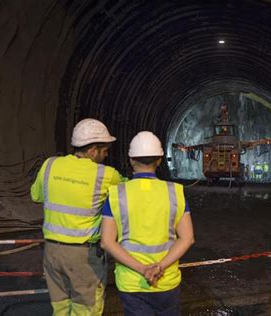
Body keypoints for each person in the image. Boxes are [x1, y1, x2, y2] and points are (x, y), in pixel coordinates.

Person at [30, 118, 126, 316]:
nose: (106, 155)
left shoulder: (50, 165)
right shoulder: (107, 175)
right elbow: (129, 197)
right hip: (83, 256)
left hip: (52, 254)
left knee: (61, 308)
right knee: (86, 310)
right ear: (92, 151)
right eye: (105, 150)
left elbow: (36, 195)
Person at [101, 131, 195, 316]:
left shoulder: (116, 194)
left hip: (132, 282)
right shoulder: (175, 193)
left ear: (131, 160)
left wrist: (143, 269)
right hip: (165, 280)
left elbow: (107, 241)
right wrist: (158, 267)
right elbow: (187, 238)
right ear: (159, 160)